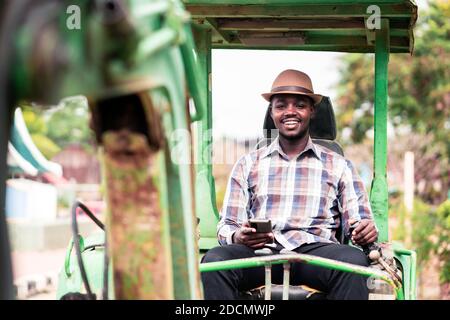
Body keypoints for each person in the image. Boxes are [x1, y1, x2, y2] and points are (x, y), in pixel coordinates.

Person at [201, 69, 378, 300]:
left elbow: (359, 223)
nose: (290, 112)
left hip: (317, 252)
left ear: (312, 111)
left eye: (300, 105)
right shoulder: (247, 164)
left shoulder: (339, 165)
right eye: (281, 105)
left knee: (354, 264)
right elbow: (227, 225)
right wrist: (239, 237)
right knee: (214, 262)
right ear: (272, 112)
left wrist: (364, 231)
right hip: (262, 252)